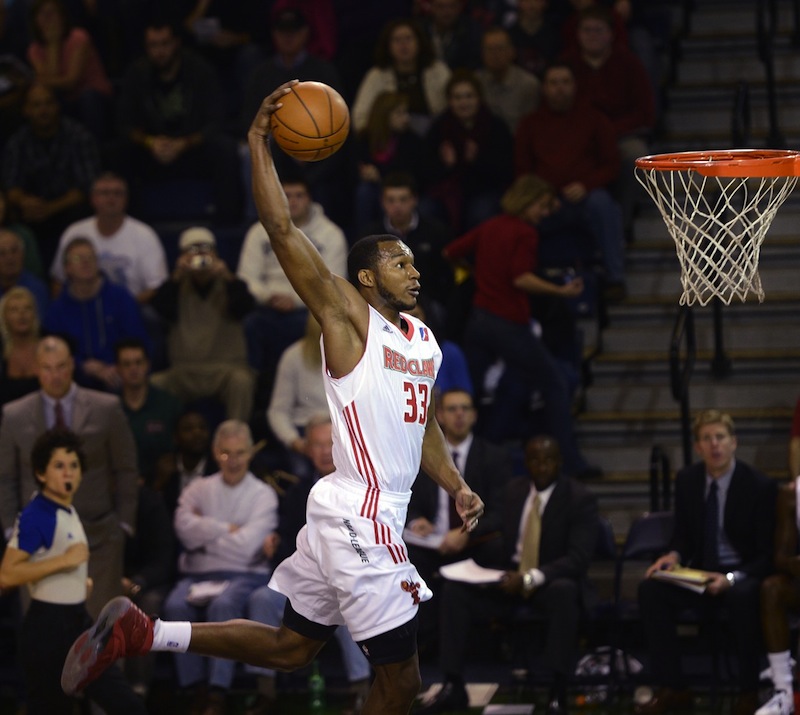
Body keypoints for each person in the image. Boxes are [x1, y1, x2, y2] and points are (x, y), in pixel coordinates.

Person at [62, 79, 485, 715]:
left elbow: (421, 423)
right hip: (359, 513)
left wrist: (454, 484)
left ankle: (144, 632)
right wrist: (259, 143)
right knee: (402, 682)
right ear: (366, 280)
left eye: (413, 262)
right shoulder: (348, 318)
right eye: (399, 264)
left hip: (359, 514)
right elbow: (282, 230)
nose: (414, 270)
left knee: (292, 647)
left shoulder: (425, 340)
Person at [416, 434, 598, 714]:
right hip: (510, 579)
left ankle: (557, 688)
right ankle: (453, 684)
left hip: (549, 582)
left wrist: (530, 578)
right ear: (526, 463)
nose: (542, 466)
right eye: (535, 460)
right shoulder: (515, 490)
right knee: (455, 590)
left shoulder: (579, 498)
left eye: (548, 460)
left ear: (559, 462)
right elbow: (498, 533)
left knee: (565, 592)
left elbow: (578, 559)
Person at [444, 174, 590, 474]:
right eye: (542, 206)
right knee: (555, 384)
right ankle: (571, 462)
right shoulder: (525, 233)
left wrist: (479, 275)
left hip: (478, 322)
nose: (545, 213)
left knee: (470, 396)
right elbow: (520, 277)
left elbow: (451, 252)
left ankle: (466, 463)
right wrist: (560, 291)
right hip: (508, 323)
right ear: (529, 201)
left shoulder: (491, 225)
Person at [636, 409, 776, 715]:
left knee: (741, 596)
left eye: (720, 438)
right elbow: (683, 537)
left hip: (742, 574)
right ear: (698, 447)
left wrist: (730, 578)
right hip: (700, 573)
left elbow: (767, 556)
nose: (715, 445)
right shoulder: (687, 480)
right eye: (707, 439)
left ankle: (747, 692)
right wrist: (671, 557)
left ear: (734, 442)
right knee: (651, 590)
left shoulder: (759, 486)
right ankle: (674, 687)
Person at [0, 429, 147, 715]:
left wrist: (79, 582)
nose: (68, 473)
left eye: (74, 466)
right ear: (41, 474)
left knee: (124, 702)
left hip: (78, 620)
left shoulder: (66, 511)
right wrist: (65, 563)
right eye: (59, 466)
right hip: (47, 629)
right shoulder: (38, 515)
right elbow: (6, 575)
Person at [0, 334, 139, 617]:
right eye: (47, 367)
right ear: (37, 369)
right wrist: (10, 530)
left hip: (99, 534)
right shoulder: (14, 414)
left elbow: (126, 468)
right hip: (38, 539)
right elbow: (6, 477)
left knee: (103, 633)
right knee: (46, 633)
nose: (55, 375)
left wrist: (124, 524)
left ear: (72, 366)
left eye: (61, 366)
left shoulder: (106, 408)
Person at [244, 413, 372, 715]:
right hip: (305, 580)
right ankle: (266, 692)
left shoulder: (359, 489)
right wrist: (276, 544)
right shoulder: (298, 493)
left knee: (347, 601)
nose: (325, 451)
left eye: (331, 444)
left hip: (346, 580)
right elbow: (286, 549)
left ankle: (360, 693)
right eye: (317, 444)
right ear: (306, 449)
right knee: (262, 599)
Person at [163, 419, 279, 715]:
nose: (233, 460)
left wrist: (204, 537)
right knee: (174, 606)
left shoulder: (262, 494)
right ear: (215, 452)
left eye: (240, 452)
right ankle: (194, 689)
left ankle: (217, 692)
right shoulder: (198, 488)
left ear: (251, 453)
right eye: (226, 453)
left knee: (224, 605)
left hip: (245, 574)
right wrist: (228, 528)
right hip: (197, 573)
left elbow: (248, 547)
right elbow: (182, 528)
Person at [405, 388, 511, 651]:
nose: (459, 414)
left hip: (475, 543)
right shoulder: (422, 457)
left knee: (496, 548)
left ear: (474, 415)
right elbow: (410, 501)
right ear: (439, 415)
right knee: (404, 556)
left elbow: (503, 512)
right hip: (434, 543)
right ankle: (420, 648)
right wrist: (417, 520)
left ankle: (485, 644)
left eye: (465, 408)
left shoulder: (494, 457)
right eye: (452, 409)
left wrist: (467, 533)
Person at [514, 61, 626, 300]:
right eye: (553, 83)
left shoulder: (594, 118)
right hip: (543, 200)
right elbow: (523, 171)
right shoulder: (530, 123)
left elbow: (612, 164)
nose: (559, 89)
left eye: (565, 82)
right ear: (544, 88)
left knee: (603, 204)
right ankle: (526, 279)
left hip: (585, 196)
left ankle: (615, 277)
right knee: (517, 210)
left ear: (575, 86)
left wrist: (587, 185)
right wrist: (543, 197)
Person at [111, 19, 241, 223]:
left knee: (226, 149)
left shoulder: (199, 70)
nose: (160, 51)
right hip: (153, 151)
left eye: (164, 44)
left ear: (176, 43)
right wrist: (150, 142)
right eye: (153, 45)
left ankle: (228, 225)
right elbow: (124, 124)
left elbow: (215, 122)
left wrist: (184, 143)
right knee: (118, 152)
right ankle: (130, 225)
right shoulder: (137, 74)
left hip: (192, 148)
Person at [237, 176, 346, 398]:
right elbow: (246, 279)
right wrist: (269, 297)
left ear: (310, 199)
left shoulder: (331, 234)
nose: (293, 201)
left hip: (308, 310)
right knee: (250, 324)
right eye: (287, 196)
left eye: (299, 196)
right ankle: (260, 393)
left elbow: (335, 282)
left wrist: (295, 300)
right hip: (267, 308)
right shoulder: (259, 231)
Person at [564, 5, 656, 241]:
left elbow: (644, 111)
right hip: (577, 136)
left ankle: (622, 225)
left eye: (598, 30)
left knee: (635, 155)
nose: (592, 35)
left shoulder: (628, 63)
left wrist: (608, 131)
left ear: (610, 34)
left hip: (620, 135)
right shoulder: (568, 64)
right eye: (586, 30)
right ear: (577, 33)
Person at [150, 226, 256, 423]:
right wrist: (176, 276)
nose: (199, 256)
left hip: (225, 370)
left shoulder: (231, 284)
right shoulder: (174, 287)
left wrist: (228, 277)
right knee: (156, 384)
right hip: (184, 371)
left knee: (242, 381)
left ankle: (236, 442)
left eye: (205, 249)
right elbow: (161, 309)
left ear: (216, 253)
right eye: (191, 251)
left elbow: (245, 306)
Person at [1, 81, 100, 270]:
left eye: (48, 103)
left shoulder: (78, 136)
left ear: (57, 106)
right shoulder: (18, 142)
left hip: (69, 212)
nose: (43, 110)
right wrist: (24, 201)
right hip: (32, 214)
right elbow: (10, 186)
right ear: (26, 110)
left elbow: (88, 185)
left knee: (83, 210)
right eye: (36, 105)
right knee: (14, 220)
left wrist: (51, 208)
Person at [42, 237, 150, 391]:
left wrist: (117, 365)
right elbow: (52, 352)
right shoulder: (56, 310)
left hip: (119, 378)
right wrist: (82, 366)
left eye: (90, 257)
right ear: (67, 268)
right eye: (78, 258)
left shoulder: (120, 298)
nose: (85, 262)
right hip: (74, 382)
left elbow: (138, 341)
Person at [49, 171, 168, 305]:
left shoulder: (145, 235)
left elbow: (157, 288)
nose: (111, 198)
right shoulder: (74, 232)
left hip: (131, 309)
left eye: (117, 193)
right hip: (81, 310)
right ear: (93, 198)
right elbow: (58, 280)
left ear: (126, 199)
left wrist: (122, 309)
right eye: (104, 193)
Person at [424, 68, 514, 233]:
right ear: (449, 101)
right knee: (427, 209)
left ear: (479, 98)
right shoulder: (440, 127)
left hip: (484, 190)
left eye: (469, 96)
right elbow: (425, 171)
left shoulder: (495, 126)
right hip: (447, 190)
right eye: (457, 97)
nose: (463, 103)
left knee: (481, 211)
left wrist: (476, 161)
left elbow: (504, 171)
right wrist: (446, 166)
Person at [361, 172, 453, 328]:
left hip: (426, 302)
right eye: (391, 200)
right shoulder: (370, 236)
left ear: (414, 200)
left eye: (403, 199)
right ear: (382, 202)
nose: (397, 206)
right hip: (384, 303)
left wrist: (422, 304)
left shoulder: (436, 232)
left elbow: (445, 279)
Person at [26, 0, 113, 139]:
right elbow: (48, 88)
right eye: (42, 14)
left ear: (62, 16)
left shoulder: (78, 38)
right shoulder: (34, 49)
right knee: (45, 103)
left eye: (52, 13)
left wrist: (54, 43)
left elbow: (71, 81)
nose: (48, 19)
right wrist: (52, 46)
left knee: (88, 98)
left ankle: (95, 150)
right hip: (63, 100)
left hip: (94, 96)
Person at [351, 17, 451, 136]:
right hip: (391, 143)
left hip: (435, 139)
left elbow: (453, 107)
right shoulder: (377, 75)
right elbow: (360, 118)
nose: (404, 45)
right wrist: (383, 127)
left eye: (408, 39)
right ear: (388, 46)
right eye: (397, 40)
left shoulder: (437, 70)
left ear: (419, 42)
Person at [353, 91, 428, 234]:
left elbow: (413, 174)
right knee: (365, 191)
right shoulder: (365, 139)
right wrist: (364, 173)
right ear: (384, 116)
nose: (406, 118)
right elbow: (353, 169)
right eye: (399, 113)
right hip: (374, 190)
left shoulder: (411, 140)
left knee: (392, 197)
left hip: (401, 190)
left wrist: (380, 174)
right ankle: (363, 240)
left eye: (406, 113)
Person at [756, 479, 800, 715]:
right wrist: (795, 564)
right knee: (772, 589)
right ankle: (784, 691)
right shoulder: (792, 494)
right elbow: (780, 558)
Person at [265, 313, 328, 479]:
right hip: (304, 433)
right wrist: (295, 442)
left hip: (344, 432)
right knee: (302, 474)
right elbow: (277, 411)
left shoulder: (356, 354)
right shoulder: (292, 356)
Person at [115, 336, 183, 484]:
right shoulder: (109, 407)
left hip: (162, 486)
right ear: (118, 369)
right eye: (126, 364)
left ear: (147, 365)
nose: (133, 369)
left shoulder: (168, 404)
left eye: (138, 363)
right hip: (120, 487)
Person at [152, 408, 218, 518]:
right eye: (188, 429)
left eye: (202, 428)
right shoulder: (164, 466)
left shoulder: (217, 469)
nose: (197, 433)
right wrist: (158, 484)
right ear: (175, 437)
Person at [474, 25, 539, 136]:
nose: (495, 54)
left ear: (512, 52)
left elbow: (532, 129)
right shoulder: (475, 82)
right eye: (489, 49)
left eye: (500, 48)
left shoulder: (528, 85)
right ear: (482, 54)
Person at [0, 286, 42, 407]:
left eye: (27, 308)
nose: (21, 314)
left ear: (34, 314)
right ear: (4, 317)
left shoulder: (48, 347)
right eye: (14, 310)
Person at [418, 0, 483, 71]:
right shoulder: (421, 30)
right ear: (432, 7)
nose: (447, 11)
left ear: (459, 7)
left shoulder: (472, 31)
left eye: (452, 6)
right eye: (440, 6)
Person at [0, 227, 48, 316]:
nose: (9, 258)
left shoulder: (37, 289)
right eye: (2, 253)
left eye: (14, 251)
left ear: (23, 254)